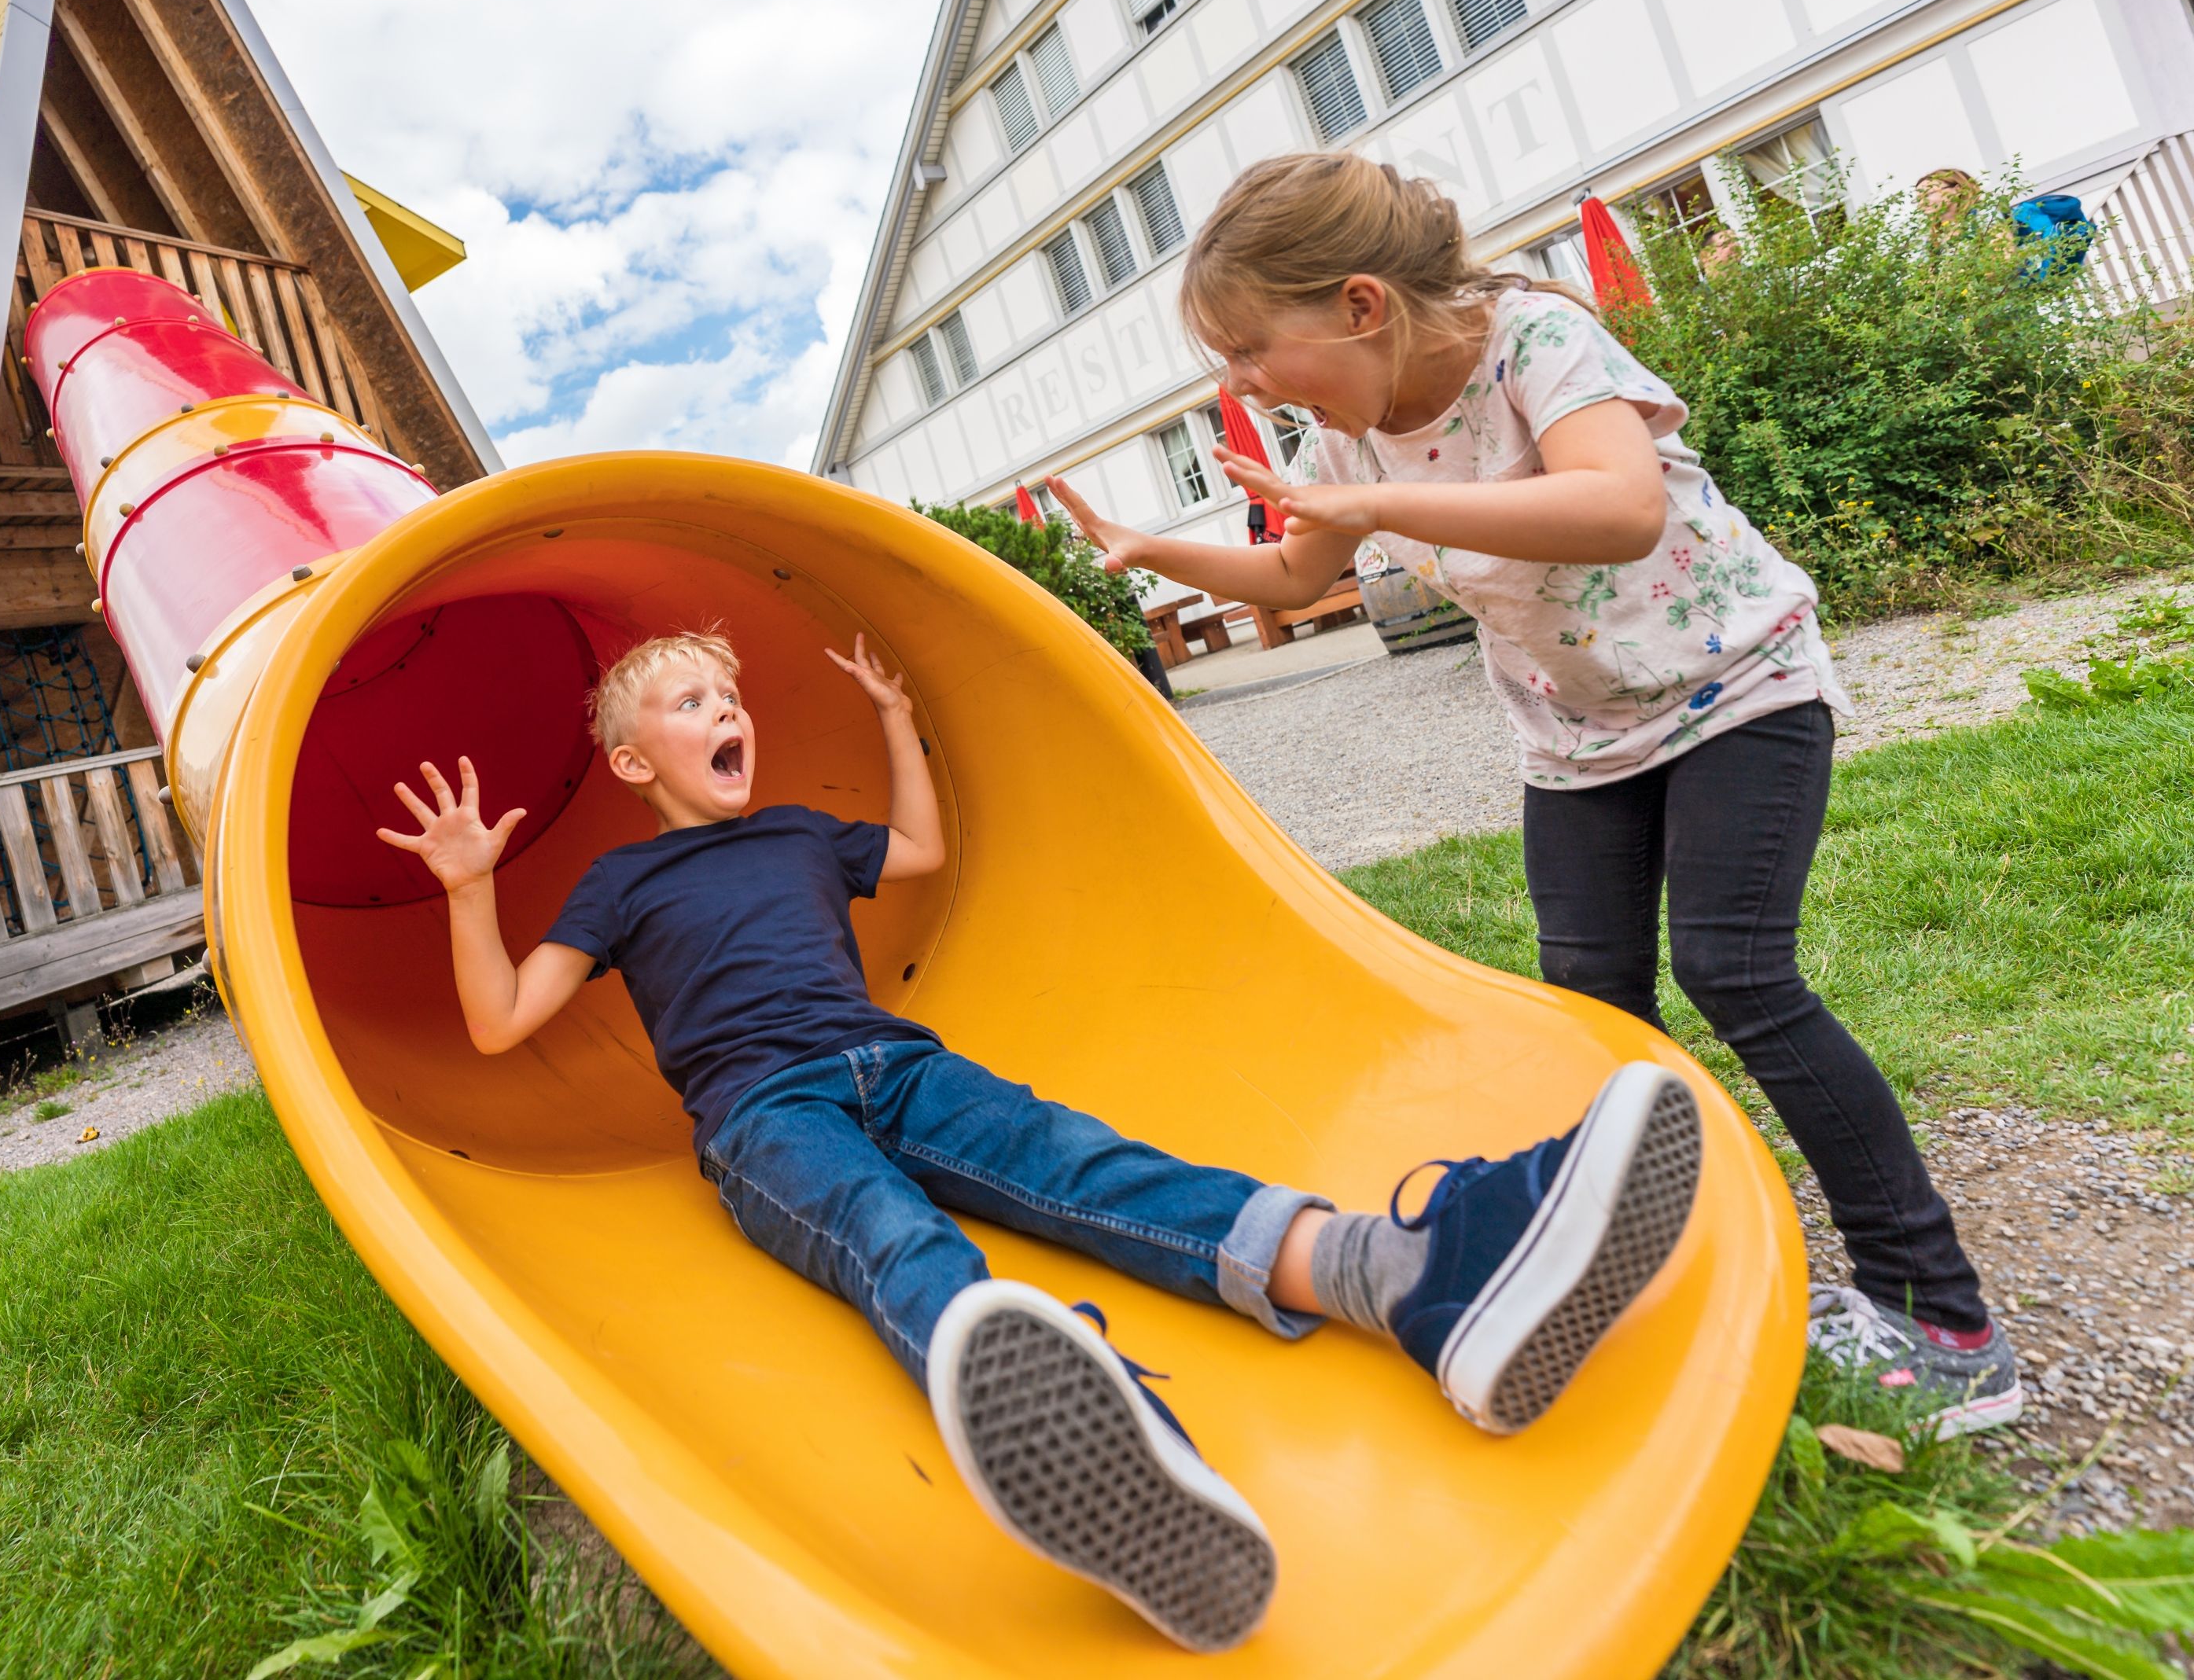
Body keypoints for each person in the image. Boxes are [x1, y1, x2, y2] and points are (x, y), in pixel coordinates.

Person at [378, 627, 1703, 1652]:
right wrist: (469, 888)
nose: (727, 717)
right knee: (892, 1238)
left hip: (898, 1063)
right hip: (759, 1113)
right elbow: (499, 1024)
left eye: (731, 701)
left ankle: (1407, 1273)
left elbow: (918, 845)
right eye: (689, 706)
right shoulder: (619, 883)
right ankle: (1120, 1452)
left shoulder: (795, 830)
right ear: (625, 763)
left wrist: (895, 717)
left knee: (1086, 1164)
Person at [1051, 152, 2019, 1441]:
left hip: (1731, 683)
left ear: (1356, 305)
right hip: (1574, 737)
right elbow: (1291, 573)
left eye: (1246, 349)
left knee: (1733, 971)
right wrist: (1147, 546)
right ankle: (1621, 1258)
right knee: (1587, 1011)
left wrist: (1378, 494)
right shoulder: (1344, 433)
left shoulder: (1536, 343)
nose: (1238, 385)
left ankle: (1943, 1319)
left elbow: (1617, 507)